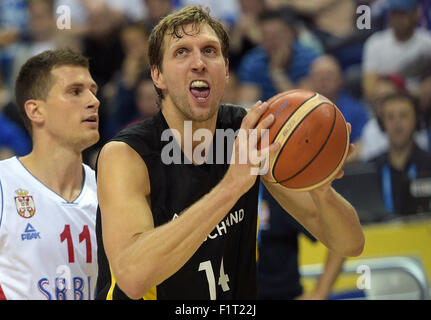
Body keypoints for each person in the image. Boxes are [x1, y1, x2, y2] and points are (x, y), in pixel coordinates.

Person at [95, 6, 364, 300]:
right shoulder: (126, 154)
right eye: (182, 52)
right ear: (157, 76)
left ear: (225, 70)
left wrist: (321, 191)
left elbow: (350, 244)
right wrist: (231, 187)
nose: (198, 62)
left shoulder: (247, 132)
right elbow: (133, 278)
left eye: (210, 51)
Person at [0, 49, 100, 300]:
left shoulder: (107, 190)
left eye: (93, 91)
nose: (93, 101)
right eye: (75, 91)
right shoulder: (4, 184)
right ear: (36, 111)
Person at [257, 185, 345, 300]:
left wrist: (320, 293)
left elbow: (341, 235)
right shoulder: (231, 190)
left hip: (284, 295)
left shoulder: (283, 189)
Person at [237, 8, 319, 105]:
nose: (273, 41)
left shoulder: (308, 58)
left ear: (290, 34)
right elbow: (246, 104)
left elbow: (305, 105)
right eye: (267, 36)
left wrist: (277, 72)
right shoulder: (252, 62)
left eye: (278, 35)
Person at [371, 92, 431, 216]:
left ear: (416, 120)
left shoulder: (429, 164)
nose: (397, 123)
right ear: (382, 123)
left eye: (403, 116)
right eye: (390, 117)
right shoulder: (370, 168)